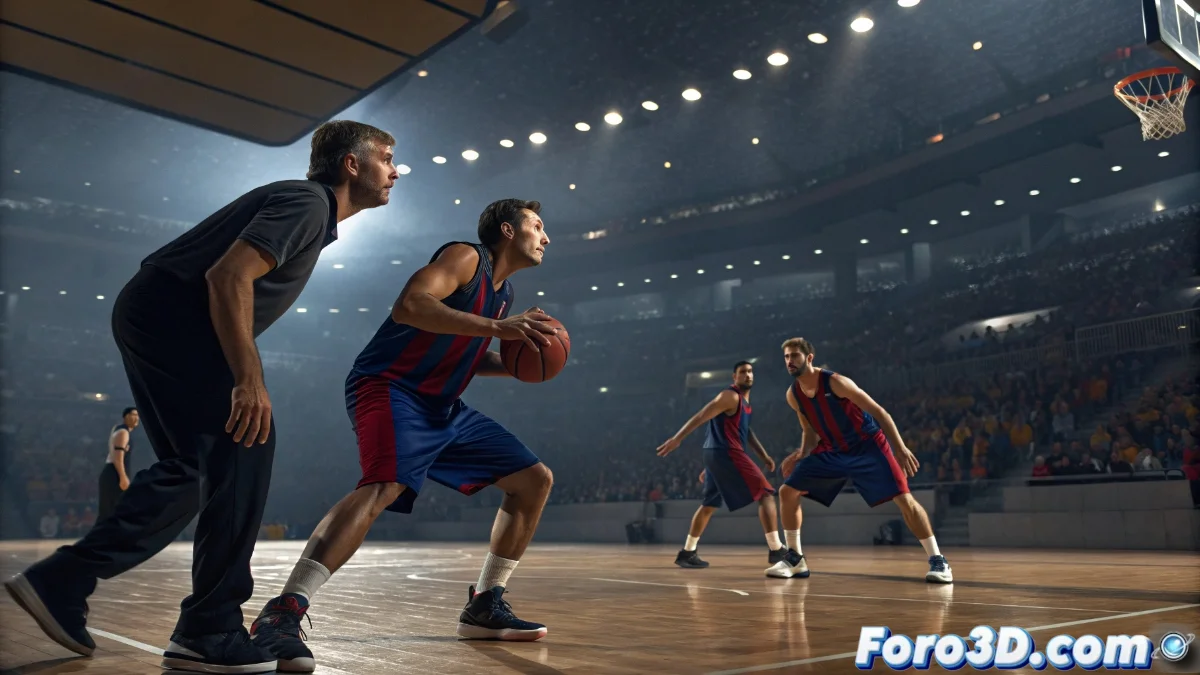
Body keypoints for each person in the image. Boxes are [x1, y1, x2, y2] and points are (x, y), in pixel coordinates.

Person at [4, 120, 398, 674]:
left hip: (157, 313)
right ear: (351, 165)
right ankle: (206, 628)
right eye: (385, 158)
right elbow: (228, 276)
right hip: (176, 317)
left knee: (197, 467)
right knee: (245, 445)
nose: (395, 170)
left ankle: (73, 582)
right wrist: (248, 377)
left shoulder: (307, 209)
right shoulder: (308, 203)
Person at [249, 199, 558, 672]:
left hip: (443, 405)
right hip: (390, 387)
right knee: (383, 484)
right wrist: (498, 329)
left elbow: (468, 355)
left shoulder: (504, 294)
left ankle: (484, 603)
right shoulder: (465, 258)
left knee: (533, 480)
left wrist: (520, 364)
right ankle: (283, 611)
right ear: (507, 231)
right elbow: (411, 306)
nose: (546, 236)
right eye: (537, 226)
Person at [775, 338, 952, 583]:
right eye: (786, 357)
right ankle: (796, 559)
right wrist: (801, 454)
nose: (790, 361)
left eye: (795, 355)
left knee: (904, 499)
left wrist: (899, 448)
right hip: (833, 450)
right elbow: (809, 430)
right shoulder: (793, 394)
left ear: (809, 358)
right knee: (787, 491)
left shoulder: (836, 382)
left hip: (868, 446)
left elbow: (880, 412)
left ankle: (938, 561)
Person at [656, 361, 801, 577]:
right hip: (726, 452)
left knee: (709, 504)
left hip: (718, 454)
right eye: (743, 372)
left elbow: (746, 431)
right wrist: (678, 439)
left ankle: (687, 552)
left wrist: (764, 456)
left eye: (751, 372)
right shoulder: (729, 396)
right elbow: (701, 416)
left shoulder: (746, 403)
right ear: (734, 377)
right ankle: (776, 549)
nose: (748, 375)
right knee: (766, 494)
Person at [97, 407, 139, 522]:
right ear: (126, 417)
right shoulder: (123, 432)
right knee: (116, 510)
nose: (136, 418)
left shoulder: (118, 430)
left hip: (112, 473)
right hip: (114, 474)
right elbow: (117, 456)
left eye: (137, 415)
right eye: (133, 415)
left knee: (111, 511)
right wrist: (123, 476)